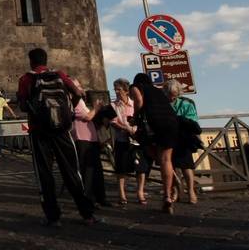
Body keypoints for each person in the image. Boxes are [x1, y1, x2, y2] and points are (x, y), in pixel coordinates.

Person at [17, 47, 98, 226]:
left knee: (45, 174)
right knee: (72, 171)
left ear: (31, 61)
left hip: (39, 132)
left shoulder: (26, 79)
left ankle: (53, 218)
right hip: (62, 131)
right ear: (46, 61)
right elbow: (79, 93)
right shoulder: (60, 74)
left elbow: (23, 105)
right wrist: (68, 113)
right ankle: (87, 215)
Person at [130, 72, 178, 214]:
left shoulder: (136, 86)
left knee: (150, 149)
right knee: (166, 159)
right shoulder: (157, 91)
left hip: (156, 124)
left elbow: (138, 101)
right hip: (172, 122)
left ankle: (169, 190)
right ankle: (167, 196)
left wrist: (135, 117)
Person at [110, 78, 150, 206]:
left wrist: (135, 130)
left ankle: (140, 192)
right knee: (121, 168)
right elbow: (113, 122)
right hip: (122, 139)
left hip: (136, 140)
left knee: (141, 167)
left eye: (119, 89)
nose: (116, 91)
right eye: (115, 89)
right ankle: (121, 193)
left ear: (126, 91)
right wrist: (126, 129)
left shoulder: (134, 104)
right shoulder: (113, 105)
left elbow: (141, 118)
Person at [71, 79, 110, 207]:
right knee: (87, 171)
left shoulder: (81, 101)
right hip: (82, 139)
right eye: (77, 85)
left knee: (97, 169)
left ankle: (101, 197)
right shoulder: (74, 102)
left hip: (91, 139)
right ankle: (89, 199)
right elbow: (87, 116)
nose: (80, 87)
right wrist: (96, 108)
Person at [167, 79, 200, 204]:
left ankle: (191, 190)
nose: (171, 97)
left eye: (173, 94)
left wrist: (179, 120)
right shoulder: (164, 104)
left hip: (183, 138)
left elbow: (192, 120)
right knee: (172, 167)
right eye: (169, 94)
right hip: (170, 138)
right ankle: (176, 190)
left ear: (178, 93)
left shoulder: (186, 104)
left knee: (186, 166)